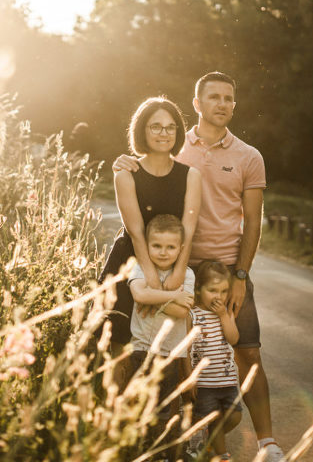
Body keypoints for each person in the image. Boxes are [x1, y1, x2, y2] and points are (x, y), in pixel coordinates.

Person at [113, 72, 284, 461]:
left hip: (226, 268)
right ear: (197, 103)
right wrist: (124, 159)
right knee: (179, 356)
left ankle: (268, 443)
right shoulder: (175, 146)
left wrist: (240, 274)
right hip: (177, 265)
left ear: (234, 105)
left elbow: (253, 222)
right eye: (214, 97)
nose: (222, 104)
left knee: (247, 352)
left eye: (229, 98)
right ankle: (186, 440)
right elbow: (145, 167)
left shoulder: (249, 156)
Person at [97, 97, 201, 389]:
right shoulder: (126, 173)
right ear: (143, 131)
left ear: (178, 133)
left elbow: (190, 227)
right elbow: (135, 229)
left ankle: (163, 417)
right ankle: (116, 417)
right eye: (156, 126)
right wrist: (150, 276)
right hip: (130, 260)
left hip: (172, 260)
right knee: (121, 347)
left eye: (170, 127)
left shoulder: (191, 175)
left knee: (165, 342)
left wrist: (178, 271)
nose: (163, 133)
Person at [126, 214, 195, 459]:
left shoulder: (187, 275)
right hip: (141, 350)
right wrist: (172, 296)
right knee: (140, 406)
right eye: (156, 246)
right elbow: (139, 296)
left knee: (165, 408)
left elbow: (180, 311)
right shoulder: (140, 268)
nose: (163, 252)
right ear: (147, 246)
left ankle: (162, 454)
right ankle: (140, 453)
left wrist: (158, 298)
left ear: (181, 249)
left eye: (170, 247)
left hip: (169, 353)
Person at [184, 260, 242, 461]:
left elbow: (234, 339)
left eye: (224, 291)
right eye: (213, 290)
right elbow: (187, 349)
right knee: (208, 417)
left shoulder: (225, 313)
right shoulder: (192, 315)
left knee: (235, 416)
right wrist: (189, 378)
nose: (219, 296)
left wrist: (224, 316)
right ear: (198, 290)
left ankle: (209, 440)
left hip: (227, 381)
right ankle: (221, 454)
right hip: (205, 383)